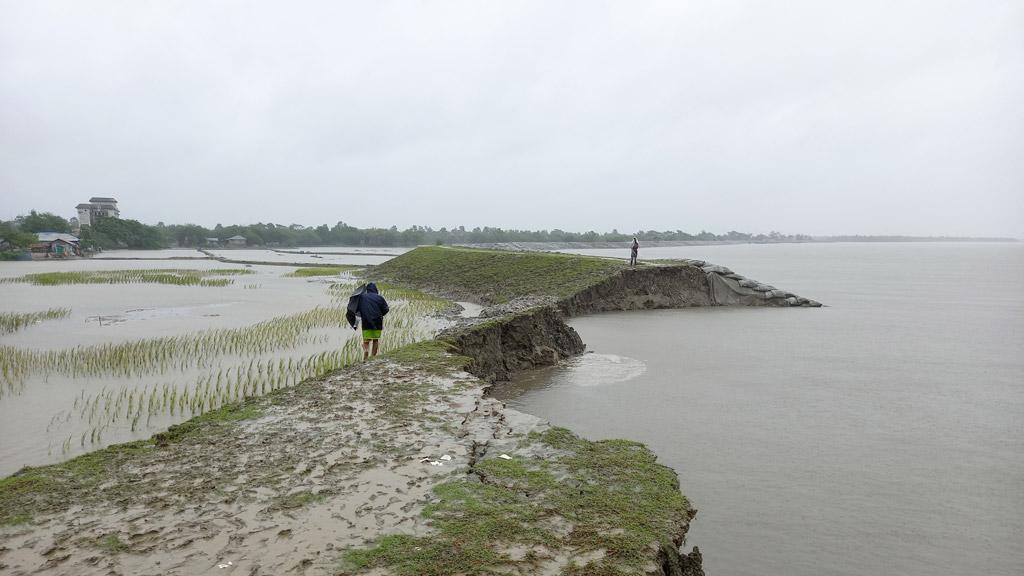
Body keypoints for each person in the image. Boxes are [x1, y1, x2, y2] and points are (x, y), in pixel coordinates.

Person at [348, 282, 389, 359]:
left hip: (366, 321)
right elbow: (386, 309)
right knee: (375, 340)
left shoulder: (361, 298)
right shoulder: (380, 298)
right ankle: (373, 357)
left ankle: (366, 354)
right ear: (375, 289)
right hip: (377, 322)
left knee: (366, 340)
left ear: (367, 290)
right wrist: (380, 315)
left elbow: (357, 309)